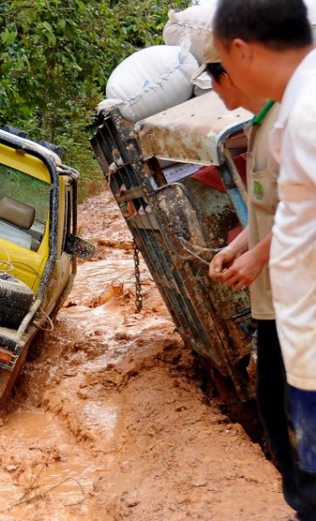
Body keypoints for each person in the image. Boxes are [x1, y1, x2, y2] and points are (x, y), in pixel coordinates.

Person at [212, 0, 316, 517]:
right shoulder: (281, 120)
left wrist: (257, 258)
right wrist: (241, 249)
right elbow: (284, 215)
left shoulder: (306, 115)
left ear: (239, 52)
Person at [196, 34, 296, 512]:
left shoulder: (290, 124)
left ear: (229, 75)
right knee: (274, 407)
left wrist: (258, 257)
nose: (215, 91)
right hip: (273, 303)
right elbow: (268, 211)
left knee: (292, 410)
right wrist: (236, 247)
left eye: (214, 80)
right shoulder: (258, 127)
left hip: (300, 301)